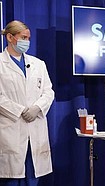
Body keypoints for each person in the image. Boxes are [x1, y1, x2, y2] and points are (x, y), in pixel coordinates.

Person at [0, 20, 55, 186]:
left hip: (35, 129)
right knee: (11, 178)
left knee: (33, 177)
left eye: (28, 38)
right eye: (23, 37)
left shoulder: (38, 64)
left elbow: (48, 91)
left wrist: (37, 107)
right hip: (11, 129)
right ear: (10, 37)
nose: (27, 42)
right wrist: (20, 110)